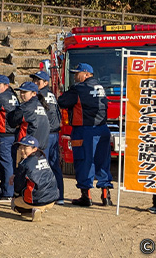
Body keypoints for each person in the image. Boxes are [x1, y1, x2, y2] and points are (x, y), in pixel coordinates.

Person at [57, 63, 112, 207]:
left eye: (77, 73)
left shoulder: (79, 89)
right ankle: (106, 195)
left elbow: (62, 101)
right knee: (103, 162)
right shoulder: (101, 88)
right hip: (103, 129)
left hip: (85, 131)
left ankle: (86, 196)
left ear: (86, 74)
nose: (75, 76)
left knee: (84, 162)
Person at [30, 71, 64, 204]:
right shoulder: (51, 95)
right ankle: (59, 196)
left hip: (45, 135)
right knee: (54, 165)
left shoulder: (40, 95)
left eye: (38, 81)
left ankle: (46, 196)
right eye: (34, 80)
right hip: (54, 134)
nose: (35, 83)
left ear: (46, 83)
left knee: (41, 165)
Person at [10, 136, 59, 222]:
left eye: (25, 147)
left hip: (37, 199)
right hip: (52, 199)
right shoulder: (43, 158)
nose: (22, 150)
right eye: (20, 147)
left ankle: (36, 209)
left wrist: (15, 195)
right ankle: (39, 209)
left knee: (14, 204)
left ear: (34, 149)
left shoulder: (24, 163)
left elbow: (19, 186)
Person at [0, 74, 19, 202]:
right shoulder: (13, 95)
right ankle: (8, 190)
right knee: (10, 163)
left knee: (6, 163)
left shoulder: (0, 98)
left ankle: (8, 192)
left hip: (4, 135)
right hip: (13, 134)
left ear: (6, 85)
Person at [8, 81, 50, 152]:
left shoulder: (25, 107)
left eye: (24, 92)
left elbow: (12, 122)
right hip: (41, 147)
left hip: (26, 147)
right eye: (21, 92)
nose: (22, 95)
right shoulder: (42, 105)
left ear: (34, 93)